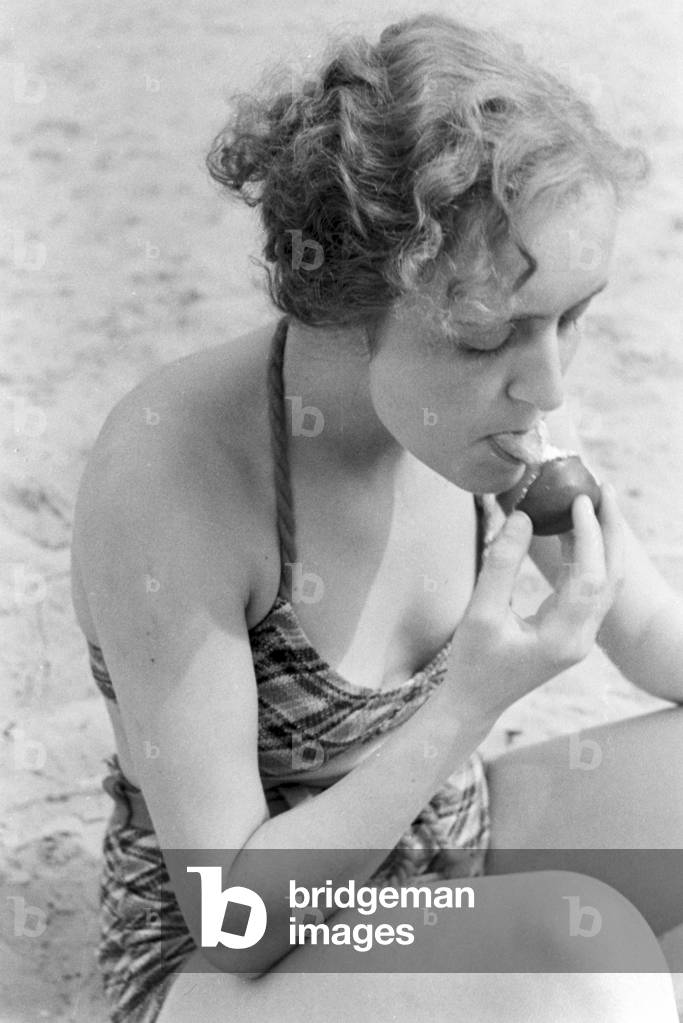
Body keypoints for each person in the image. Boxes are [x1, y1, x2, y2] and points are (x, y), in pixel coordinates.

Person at [70, 13, 683, 1023]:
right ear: (347, 299)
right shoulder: (176, 473)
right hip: (234, 966)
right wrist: (466, 704)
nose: (547, 381)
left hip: (443, 857)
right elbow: (233, 923)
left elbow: (656, 640)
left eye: (568, 318)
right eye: (489, 335)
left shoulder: (499, 404)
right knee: (585, 966)